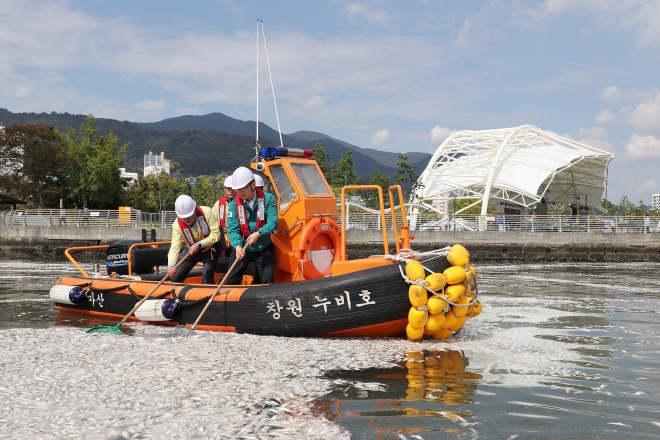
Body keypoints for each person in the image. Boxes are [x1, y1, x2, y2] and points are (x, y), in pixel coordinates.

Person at [225, 167, 278, 285]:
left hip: (263, 247)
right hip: (243, 247)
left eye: (244, 187)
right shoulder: (234, 205)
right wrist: (237, 245)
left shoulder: (268, 199)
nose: (241, 191)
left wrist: (259, 233)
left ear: (253, 184)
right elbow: (232, 229)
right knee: (230, 281)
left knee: (267, 281)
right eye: (238, 189)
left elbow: (273, 222)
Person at [167, 195, 224, 284]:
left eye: (189, 215)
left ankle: (207, 294)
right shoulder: (176, 225)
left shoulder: (207, 212)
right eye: (183, 217)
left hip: (210, 248)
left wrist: (199, 244)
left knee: (207, 275)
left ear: (195, 210)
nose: (187, 219)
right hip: (191, 249)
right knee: (175, 277)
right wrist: (171, 264)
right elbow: (175, 246)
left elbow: (216, 235)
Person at [212, 176, 236, 257]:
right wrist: (219, 228)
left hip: (236, 242)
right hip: (221, 242)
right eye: (228, 188)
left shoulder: (242, 204)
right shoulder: (218, 204)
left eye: (233, 188)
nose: (230, 191)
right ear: (224, 189)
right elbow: (211, 221)